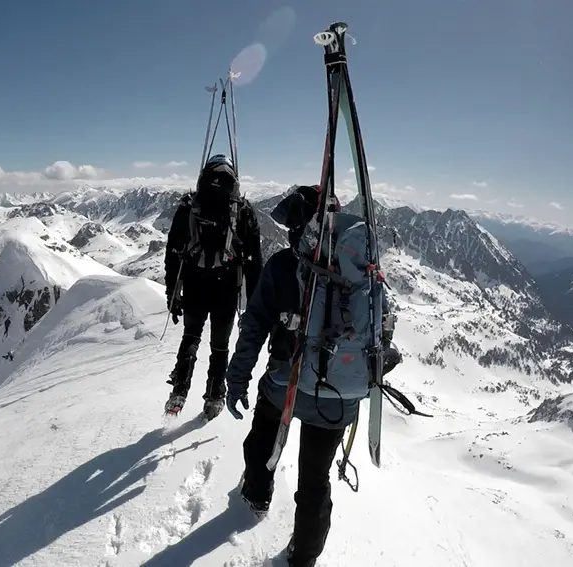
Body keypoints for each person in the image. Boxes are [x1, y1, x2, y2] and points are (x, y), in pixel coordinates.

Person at [222, 184, 402, 567]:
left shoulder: (285, 267)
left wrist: (237, 378)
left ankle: (255, 497)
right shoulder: (364, 274)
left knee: (262, 443)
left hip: (284, 386)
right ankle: (302, 558)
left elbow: (254, 325)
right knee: (315, 482)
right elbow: (380, 335)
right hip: (338, 396)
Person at [163, 153, 264, 420]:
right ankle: (214, 397)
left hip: (195, 283)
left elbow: (173, 251)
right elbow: (255, 261)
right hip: (227, 287)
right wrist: (255, 303)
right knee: (220, 346)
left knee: (190, 338)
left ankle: (178, 391)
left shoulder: (190, 205)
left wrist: (172, 292)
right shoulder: (242, 209)